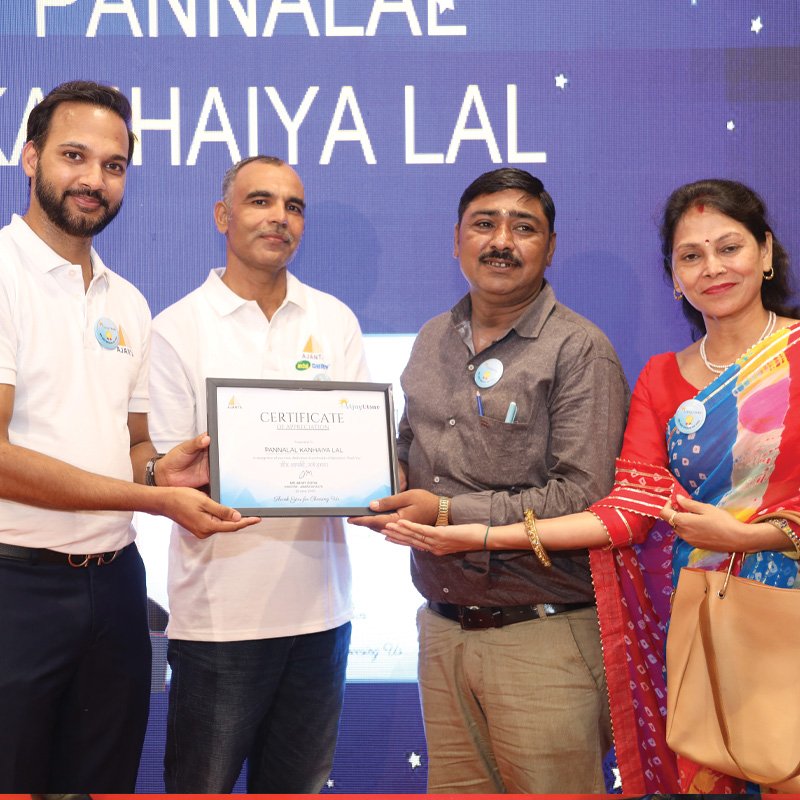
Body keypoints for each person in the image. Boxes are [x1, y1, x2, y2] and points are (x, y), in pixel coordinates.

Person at [386, 178, 800, 794]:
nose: (712, 268)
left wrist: (760, 536)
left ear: (765, 252)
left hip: (780, 612)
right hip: (691, 622)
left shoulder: (580, 349)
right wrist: (382, 492)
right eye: (691, 255)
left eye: (729, 248)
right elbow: (625, 510)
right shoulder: (662, 376)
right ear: (674, 275)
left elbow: (580, 492)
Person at [0, 81, 258, 794]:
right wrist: (150, 499)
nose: (94, 179)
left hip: (116, 587)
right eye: (74, 156)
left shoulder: (129, 301)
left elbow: (135, 447)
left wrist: (163, 474)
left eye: (113, 165)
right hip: (15, 585)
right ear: (30, 158)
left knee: (101, 786)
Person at [350, 168, 630, 793]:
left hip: (543, 634)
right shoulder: (433, 337)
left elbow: (582, 496)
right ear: (456, 240)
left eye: (523, 227)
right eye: (484, 224)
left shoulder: (579, 349)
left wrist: (447, 511)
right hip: (442, 629)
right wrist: (360, 480)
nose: (502, 240)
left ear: (549, 248)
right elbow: (407, 447)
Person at [148, 155, 370, 793]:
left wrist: (367, 483)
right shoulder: (175, 328)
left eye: (293, 207)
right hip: (219, 620)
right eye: (260, 201)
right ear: (223, 215)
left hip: (321, 616)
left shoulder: (334, 320)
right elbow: (166, 471)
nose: (279, 218)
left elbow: (362, 454)